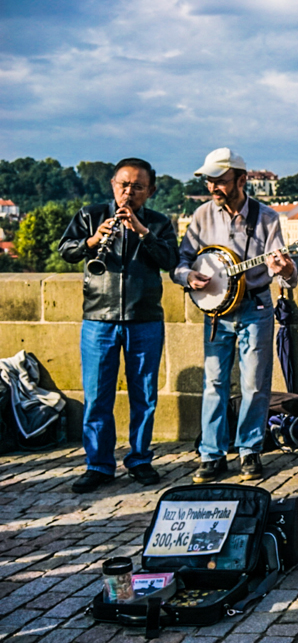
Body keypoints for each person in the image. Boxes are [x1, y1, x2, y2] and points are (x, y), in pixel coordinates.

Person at [172, 148, 298, 483]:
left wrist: (283, 268)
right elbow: (181, 263)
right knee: (214, 383)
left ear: (242, 180)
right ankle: (212, 455)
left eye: (221, 181)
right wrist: (190, 278)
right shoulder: (200, 216)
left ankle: (249, 451)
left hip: (255, 306)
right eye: (210, 181)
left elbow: (286, 273)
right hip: (216, 313)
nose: (214, 187)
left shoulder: (267, 217)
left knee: (255, 384)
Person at [58, 158, 180, 493]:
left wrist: (142, 232)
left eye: (137, 187)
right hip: (99, 318)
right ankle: (98, 464)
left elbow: (171, 261)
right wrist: (94, 240)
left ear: (150, 191)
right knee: (98, 396)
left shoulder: (158, 222)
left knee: (145, 395)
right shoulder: (91, 215)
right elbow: (65, 250)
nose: (129, 192)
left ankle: (140, 459)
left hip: (144, 319)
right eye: (123, 185)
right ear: (113, 184)